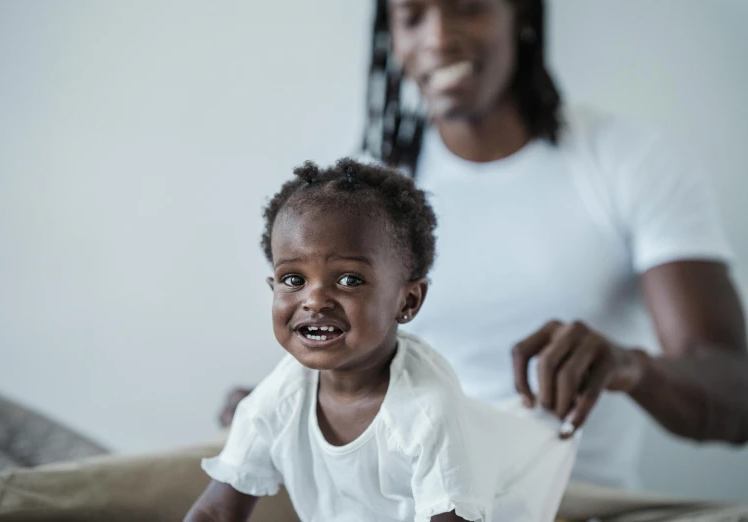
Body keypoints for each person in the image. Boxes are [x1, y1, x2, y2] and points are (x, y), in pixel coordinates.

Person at [221, 0, 748, 490]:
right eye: (412, 17)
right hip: (399, 499)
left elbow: (736, 397)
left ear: (518, 12)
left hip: (569, 503)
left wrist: (633, 368)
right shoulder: (360, 195)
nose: (439, 38)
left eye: (466, 7)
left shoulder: (629, 162)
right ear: (393, 39)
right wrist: (285, 405)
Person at [186, 159, 577, 522]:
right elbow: (215, 514)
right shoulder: (282, 395)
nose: (315, 299)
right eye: (293, 279)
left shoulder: (427, 411)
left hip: (506, 488)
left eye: (349, 280)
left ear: (407, 301)